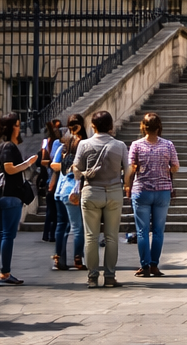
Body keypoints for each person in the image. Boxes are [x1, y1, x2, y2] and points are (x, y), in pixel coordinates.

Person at [73, 109, 129, 287]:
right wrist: (124, 184)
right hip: (113, 191)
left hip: (91, 191)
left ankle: (92, 277)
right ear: (111, 126)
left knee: (91, 236)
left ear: (93, 126)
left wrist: (83, 173)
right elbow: (127, 172)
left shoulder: (84, 144)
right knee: (111, 236)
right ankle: (110, 277)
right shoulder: (120, 145)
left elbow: (76, 171)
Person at [0, 112, 40, 286]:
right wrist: (28, 163)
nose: (19, 128)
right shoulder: (8, 146)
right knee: (8, 235)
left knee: (1, 233)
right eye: (17, 125)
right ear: (11, 127)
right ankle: (5, 272)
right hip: (10, 194)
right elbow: (9, 169)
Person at [125, 112, 178, 277]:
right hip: (163, 191)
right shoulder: (168, 145)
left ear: (143, 127)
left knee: (142, 231)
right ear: (159, 128)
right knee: (158, 231)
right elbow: (175, 166)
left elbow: (131, 167)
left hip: (142, 190)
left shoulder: (136, 145)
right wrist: (164, 168)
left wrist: (127, 184)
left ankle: (145, 265)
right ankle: (155, 264)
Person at [50, 119, 85, 270]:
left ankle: (59, 259)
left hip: (60, 190)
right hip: (72, 191)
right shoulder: (82, 147)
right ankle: (78, 258)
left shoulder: (63, 147)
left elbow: (53, 165)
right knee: (77, 227)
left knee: (61, 225)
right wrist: (73, 168)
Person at [37, 119, 63, 247]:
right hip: (55, 177)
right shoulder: (58, 144)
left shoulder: (45, 143)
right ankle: (52, 234)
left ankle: (46, 234)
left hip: (48, 176)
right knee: (56, 209)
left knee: (50, 209)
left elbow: (43, 161)